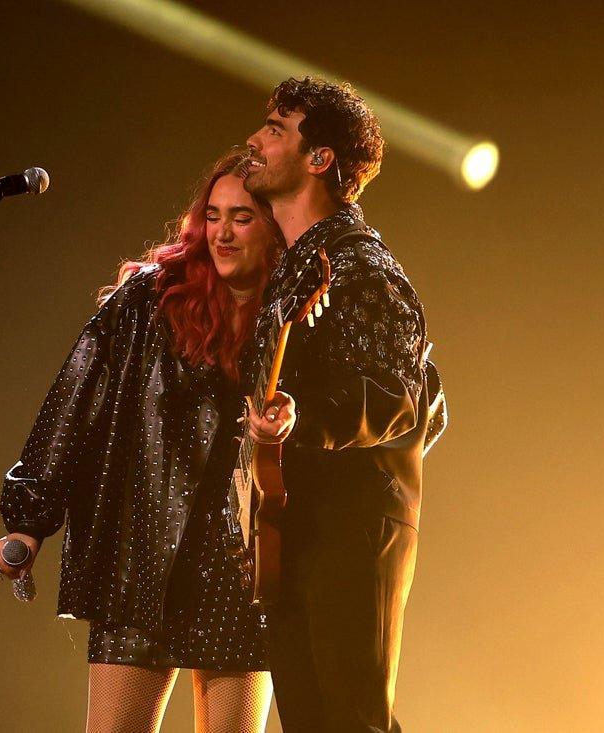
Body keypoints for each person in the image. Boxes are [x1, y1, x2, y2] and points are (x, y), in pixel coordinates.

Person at [0, 150, 284, 733]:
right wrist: (29, 516)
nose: (222, 232)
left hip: (240, 565)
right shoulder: (150, 299)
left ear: (275, 227)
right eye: (213, 214)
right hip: (142, 555)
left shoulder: (295, 306)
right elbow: (76, 399)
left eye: (242, 218)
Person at [239, 77, 447, 732]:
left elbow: (401, 398)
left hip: (354, 529)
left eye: (276, 128)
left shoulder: (361, 266)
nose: (255, 139)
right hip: (295, 527)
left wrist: (303, 416)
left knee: (352, 720)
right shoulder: (295, 267)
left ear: (320, 157)